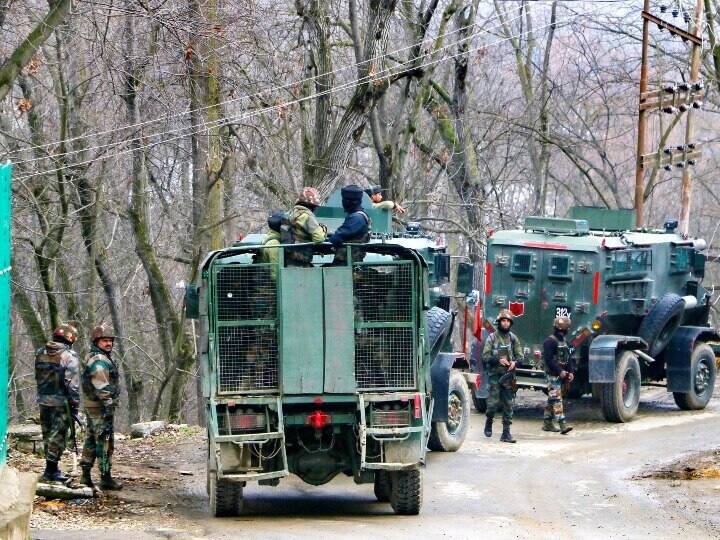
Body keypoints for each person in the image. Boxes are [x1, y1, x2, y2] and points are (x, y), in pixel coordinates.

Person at [35, 323, 81, 482]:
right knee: (59, 436)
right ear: (70, 338)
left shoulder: (40, 352)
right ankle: (51, 471)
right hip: (62, 403)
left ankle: (50, 469)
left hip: (43, 400)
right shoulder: (69, 355)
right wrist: (75, 404)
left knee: (48, 434)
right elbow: (72, 383)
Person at [79, 324, 122, 490]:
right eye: (105, 340)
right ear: (97, 341)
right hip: (100, 407)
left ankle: (85, 475)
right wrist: (108, 403)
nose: (108, 343)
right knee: (104, 441)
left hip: (94, 406)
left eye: (110, 340)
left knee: (91, 438)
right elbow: (101, 386)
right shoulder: (99, 361)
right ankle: (105, 477)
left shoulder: (99, 357)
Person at [482, 310, 523, 443]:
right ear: (499, 322)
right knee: (492, 404)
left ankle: (506, 433)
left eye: (508, 321)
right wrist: (498, 359)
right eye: (503, 321)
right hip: (495, 376)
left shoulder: (513, 338)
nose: (505, 323)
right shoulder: (492, 338)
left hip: (508, 376)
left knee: (509, 405)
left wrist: (515, 363)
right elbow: (485, 356)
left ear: (510, 323)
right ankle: (489, 422)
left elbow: (520, 356)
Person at [541, 316, 574, 434]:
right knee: (557, 399)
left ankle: (547, 423)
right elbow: (549, 360)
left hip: (561, 375)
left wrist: (571, 372)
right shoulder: (549, 342)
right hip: (552, 375)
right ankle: (562, 424)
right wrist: (560, 371)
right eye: (560, 329)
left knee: (552, 399)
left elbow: (569, 359)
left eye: (563, 329)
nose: (562, 331)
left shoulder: (565, 342)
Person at [328, 184, 370, 265]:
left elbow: (340, 235)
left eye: (343, 200)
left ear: (348, 202)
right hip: (347, 261)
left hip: (347, 263)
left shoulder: (357, 217)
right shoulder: (358, 216)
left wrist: (324, 241)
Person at [284, 187, 327, 265]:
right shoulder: (307, 216)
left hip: (290, 256)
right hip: (302, 257)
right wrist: (323, 229)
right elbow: (319, 238)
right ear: (312, 205)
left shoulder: (293, 213)